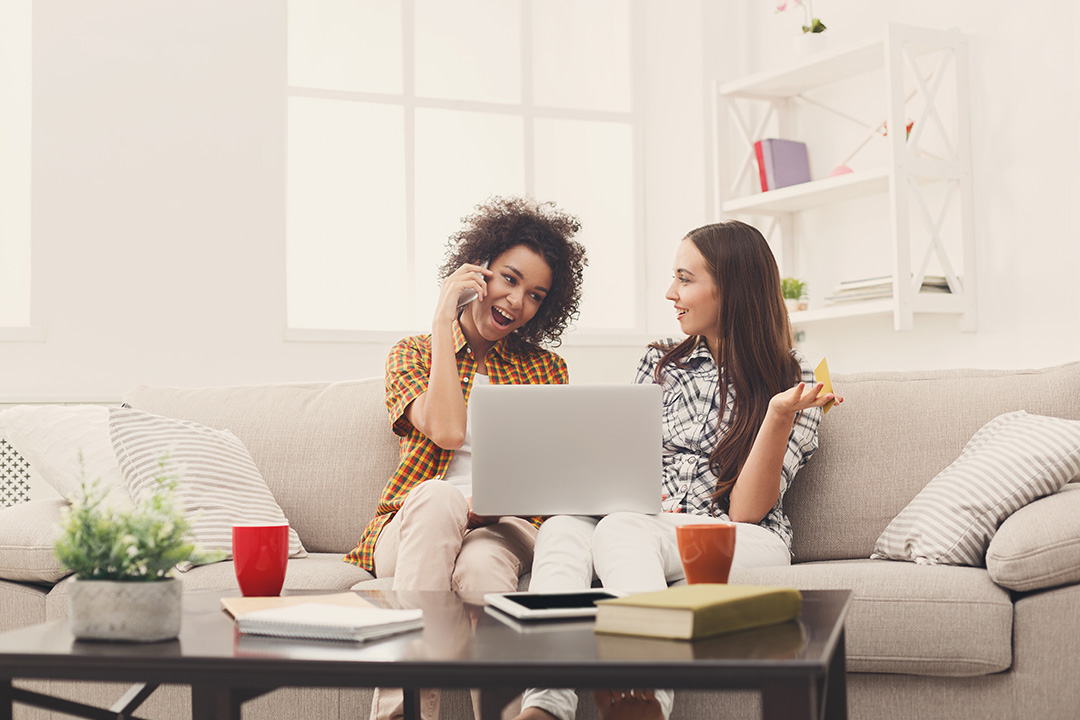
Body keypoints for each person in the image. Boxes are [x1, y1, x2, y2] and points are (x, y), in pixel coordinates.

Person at [514, 219, 842, 720]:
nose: (671, 293)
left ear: (730, 288)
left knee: (625, 528)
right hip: (654, 521)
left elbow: (748, 512)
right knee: (561, 527)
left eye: (685, 279)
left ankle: (641, 696)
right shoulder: (659, 365)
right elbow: (623, 463)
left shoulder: (795, 381)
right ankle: (544, 707)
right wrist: (619, 491)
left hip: (739, 536)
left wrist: (778, 414)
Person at [343, 195, 587, 720]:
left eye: (536, 295)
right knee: (435, 497)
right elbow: (448, 430)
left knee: (480, 568)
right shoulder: (413, 352)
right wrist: (442, 322)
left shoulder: (547, 370)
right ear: (478, 271)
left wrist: (492, 506)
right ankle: (404, 714)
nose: (517, 301)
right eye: (509, 279)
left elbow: (549, 477)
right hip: (414, 525)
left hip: (504, 524)